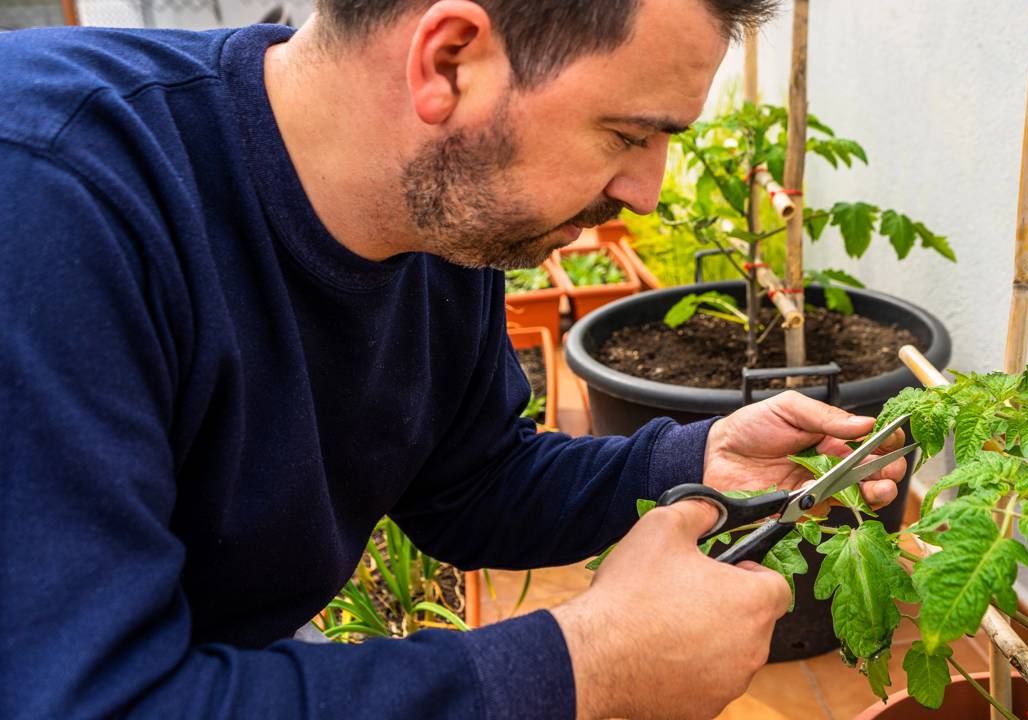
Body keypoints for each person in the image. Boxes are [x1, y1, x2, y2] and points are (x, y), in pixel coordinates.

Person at [0, 1, 907, 717]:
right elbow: (89, 699)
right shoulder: (49, 200)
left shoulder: (435, 217)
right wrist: (585, 666)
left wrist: (692, 460)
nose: (647, 192)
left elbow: (469, 482)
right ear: (450, 61)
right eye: (630, 134)